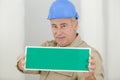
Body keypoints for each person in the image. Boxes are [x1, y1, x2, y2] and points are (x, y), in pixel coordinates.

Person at [17, 0, 104, 80]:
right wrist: (21, 63)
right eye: (54, 26)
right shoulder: (47, 48)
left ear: (75, 25)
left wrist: (89, 77)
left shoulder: (90, 56)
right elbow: (25, 65)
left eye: (63, 26)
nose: (58, 32)